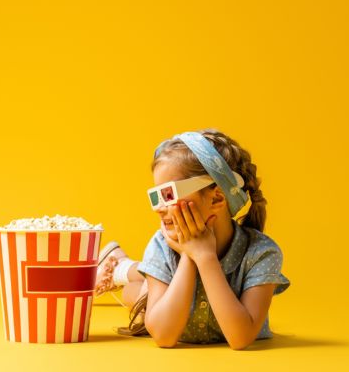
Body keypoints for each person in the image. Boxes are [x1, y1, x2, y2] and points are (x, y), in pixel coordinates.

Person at [93, 128, 291, 349]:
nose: (158, 208)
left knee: (143, 295)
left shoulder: (262, 253)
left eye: (168, 195)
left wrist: (204, 256)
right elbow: (164, 337)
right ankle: (120, 268)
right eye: (155, 196)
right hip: (163, 296)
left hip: (166, 292)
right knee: (142, 298)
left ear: (217, 198)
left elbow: (240, 337)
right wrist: (190, 253)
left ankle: (119, 268)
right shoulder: (161, 243)